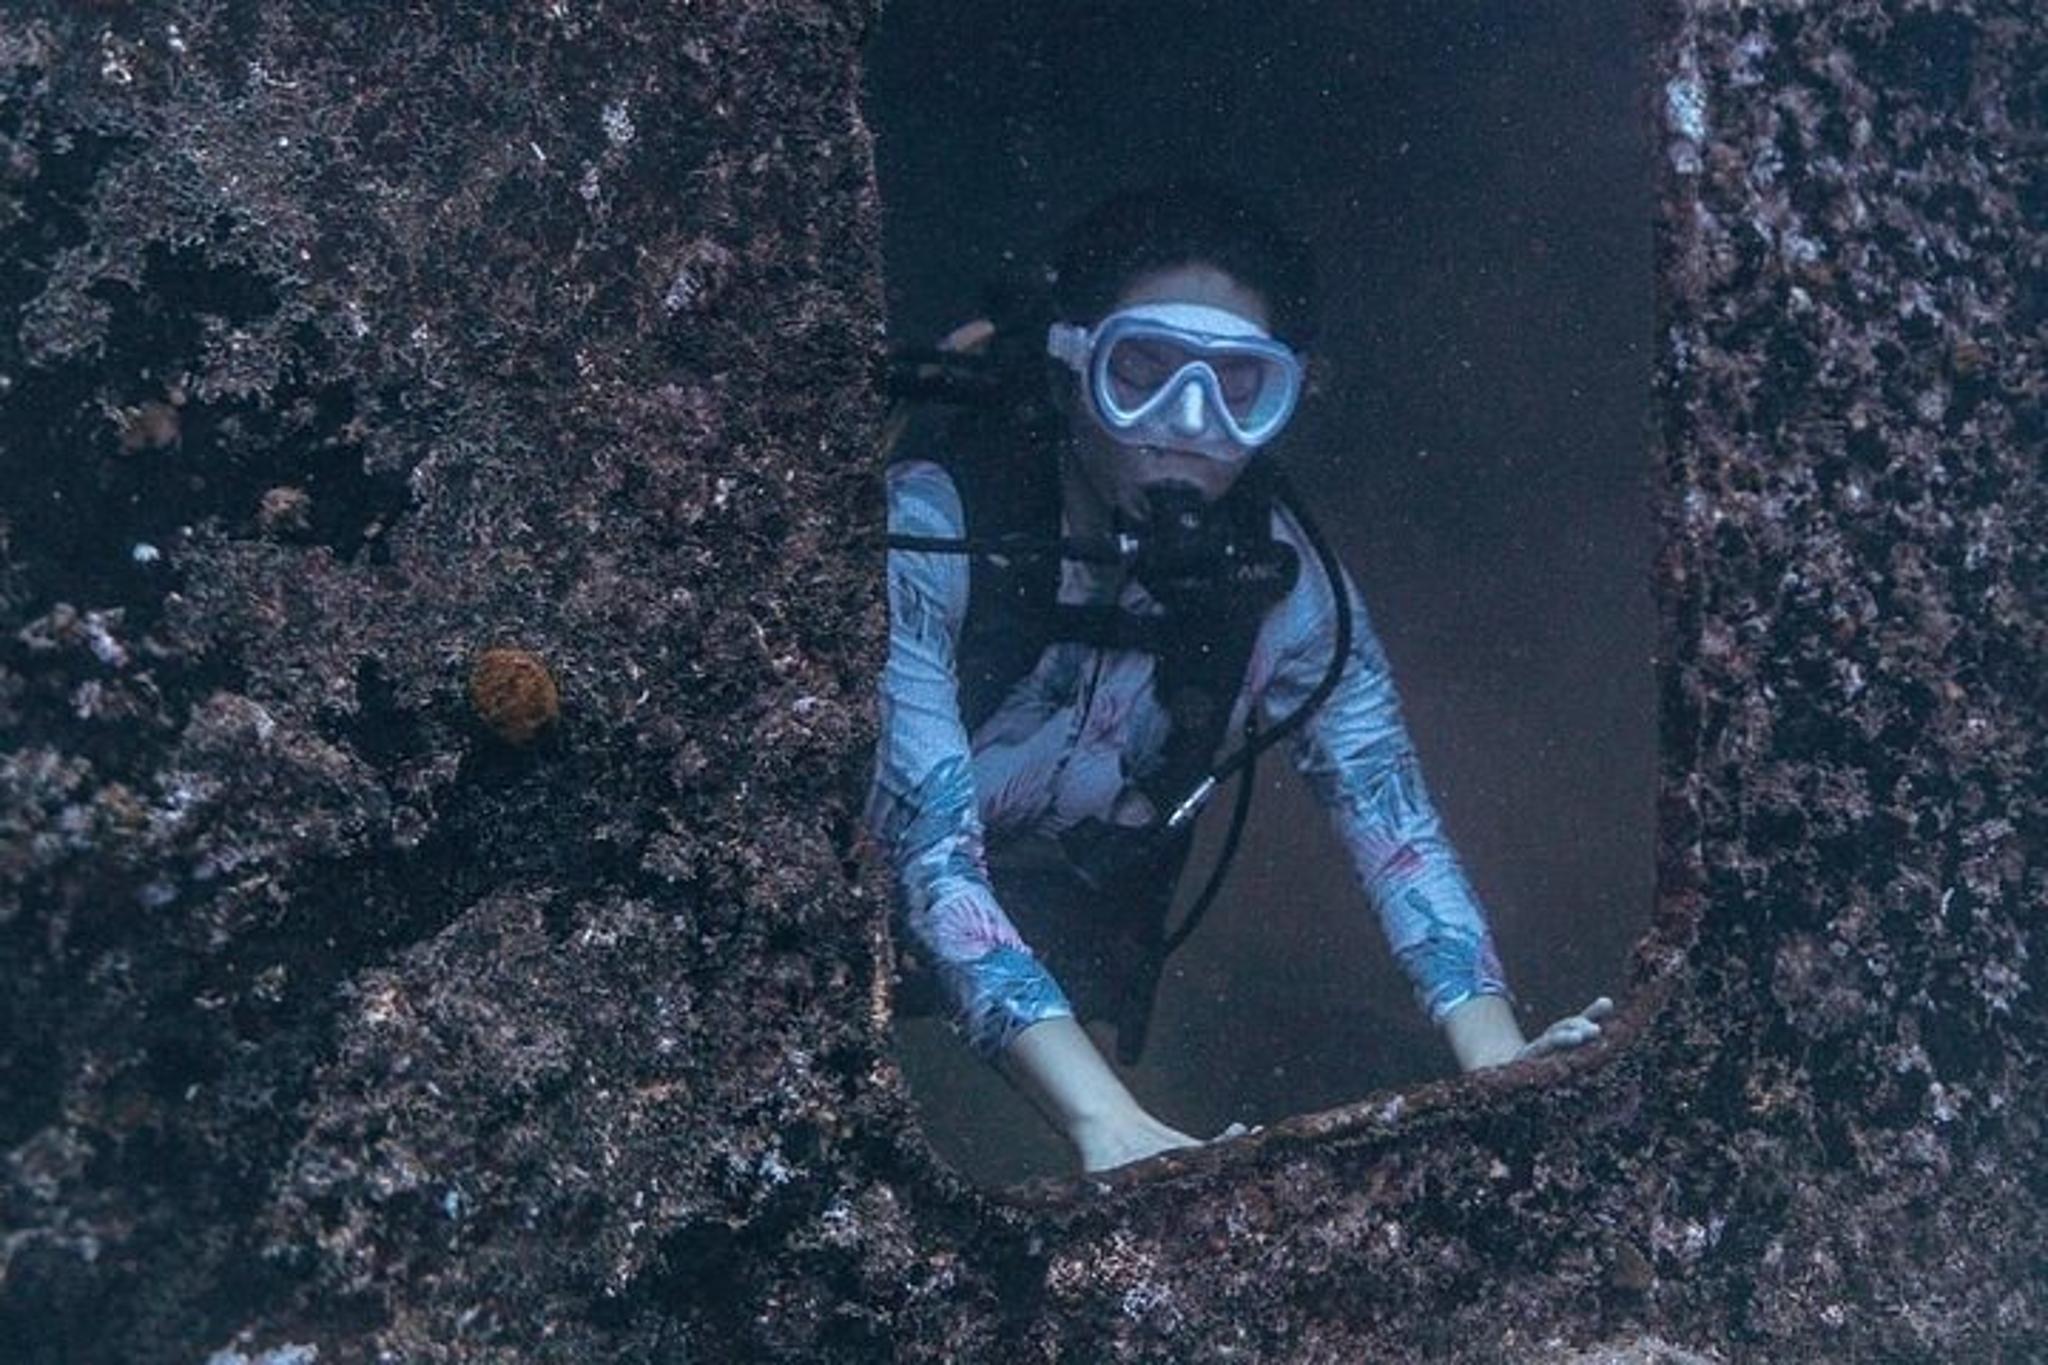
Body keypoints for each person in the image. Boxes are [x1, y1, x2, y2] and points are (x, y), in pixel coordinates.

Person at [866, 180, 1611, 1175]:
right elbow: (926, 853)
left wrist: (1496, 1056)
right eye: (1142, 371)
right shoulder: (931, 532)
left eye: (1239, 387)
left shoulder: (1287, 592)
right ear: (1071, 368)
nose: (1189, 422)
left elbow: (1396, 831)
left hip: (1067, 932)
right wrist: (1106, 1122)